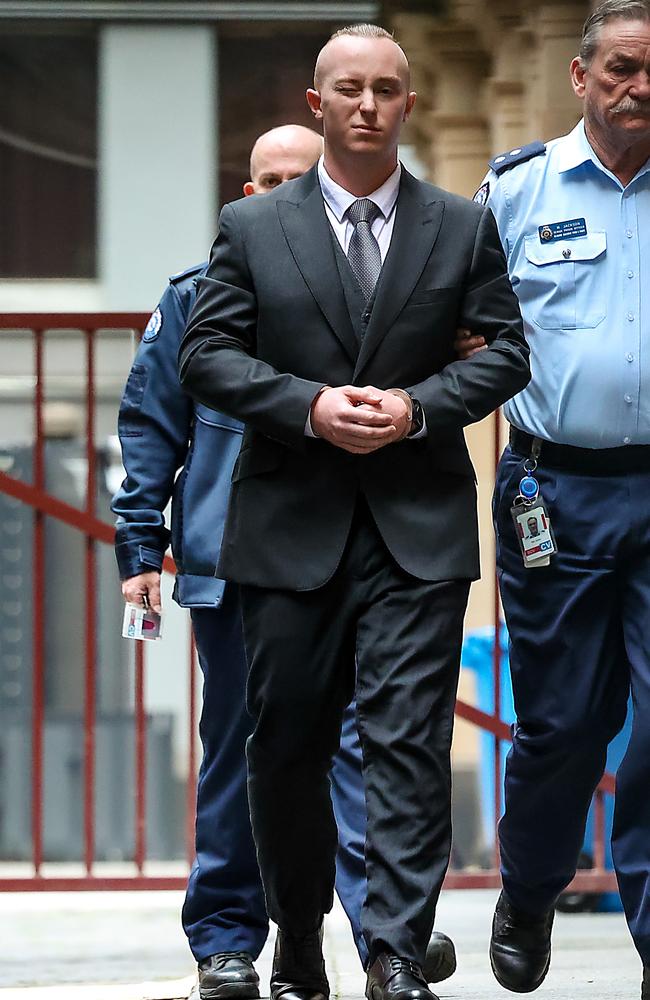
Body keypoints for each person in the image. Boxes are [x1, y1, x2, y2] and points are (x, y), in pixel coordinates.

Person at [179, 24, 529, 1000]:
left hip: (415, 526)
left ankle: (394, 952)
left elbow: (505, 352)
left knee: (407, 738)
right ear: (315, 103)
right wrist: (308, 406)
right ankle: (295, 935)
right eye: (349, 89)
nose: (367, 105)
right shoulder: (251, 227)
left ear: (407, 106)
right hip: (287, 524)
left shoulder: (460, 226)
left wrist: (419, 408)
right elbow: (205, 354)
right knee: (285, 742)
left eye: (385, 89)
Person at [112, 123, 455, 1000]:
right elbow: (151, 426)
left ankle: (388, 934)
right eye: (262, 180)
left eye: (295, 180)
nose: (276, 196)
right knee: (242, 751)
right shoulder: (198, 296)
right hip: (237, 564)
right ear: (243, 190)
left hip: (362, 554)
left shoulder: (373, 292)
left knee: (368, 745)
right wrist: (141, 546)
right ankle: (228, 941)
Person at [465, 1, 650, 995]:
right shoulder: (516, 192)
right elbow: (457, 330)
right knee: (562, 721)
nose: (639, 88)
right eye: (620, 68)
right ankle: (530, 887)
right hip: (555, 492)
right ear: (579, 77)